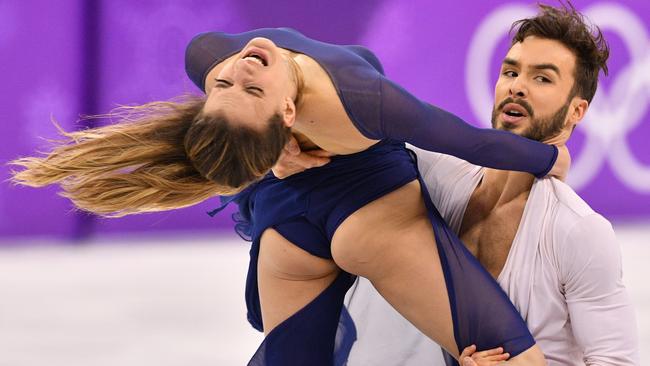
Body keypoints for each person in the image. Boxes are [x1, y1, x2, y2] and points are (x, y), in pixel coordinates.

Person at [9, 27, 571, 365]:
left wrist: (276, 157)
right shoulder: (364, 100)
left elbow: (470, 142)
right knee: (516, 359)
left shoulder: (207, 53)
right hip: (365, 209)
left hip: (286, 230)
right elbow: (469, 140)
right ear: (284, 116)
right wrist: (551, 158)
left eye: (234, 84)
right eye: (239, 86)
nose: (241, 67)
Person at [285, 4, 637, 366]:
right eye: (510, 71)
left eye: (542, 78)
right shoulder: (436, 174)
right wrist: (289, 147)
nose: (517, 87)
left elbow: (616, 361)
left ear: (577, 111)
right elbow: (347, 138)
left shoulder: (578, 230)